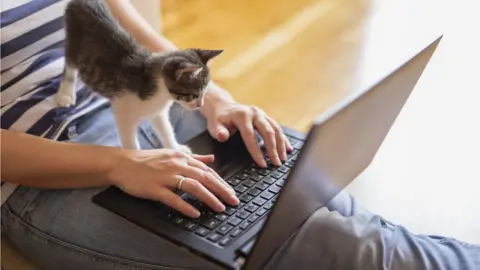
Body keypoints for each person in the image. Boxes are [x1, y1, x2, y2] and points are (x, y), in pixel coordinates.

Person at [1, 1, 479, 269]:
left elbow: (126, 27)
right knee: (329, 247)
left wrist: (215, 99)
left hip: (145, 102)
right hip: (52, 167)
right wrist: (119, 164)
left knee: (319, 196)